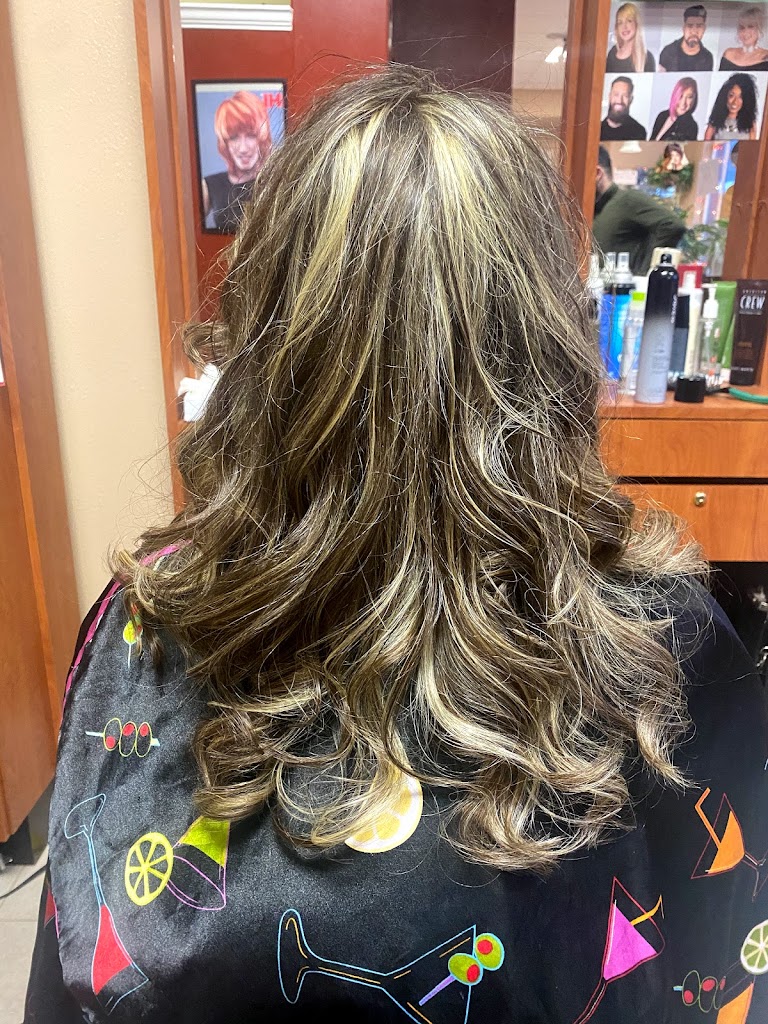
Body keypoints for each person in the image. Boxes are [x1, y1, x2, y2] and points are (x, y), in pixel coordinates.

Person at [25, 66, 768, 1024]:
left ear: (263, 337)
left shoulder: (145, 616)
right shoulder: (663, 637)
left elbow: (67, 971)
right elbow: (726, 962)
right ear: (548, 339)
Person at [593, 144, 686, 273]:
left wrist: (644, 272)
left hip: (621, 284)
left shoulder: (628, 200)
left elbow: (673, 225)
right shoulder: (594, 209)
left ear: (597, 173)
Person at [202, 90, 272, 234]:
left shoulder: (276, 179)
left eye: (251, 135)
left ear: (262, 137)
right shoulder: (209, 185)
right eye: (234, 137)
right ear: (225, 142)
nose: (243, 148)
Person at [659, 5, 714, 72]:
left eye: (699, 26)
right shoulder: (668, 52)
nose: (694, 32)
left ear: (704, 29)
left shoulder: (707, 57)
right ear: (684, 28)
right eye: (690, 26)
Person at [705, 72, 759, 140]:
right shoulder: (715, 121)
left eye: (741, 97)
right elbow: (706, 144)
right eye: (731, 95)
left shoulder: (750, 124)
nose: (735, 102)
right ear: (725, 96)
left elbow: (752, 145)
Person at [606, 3, 656, 73]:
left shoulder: (647, 58)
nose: (624, 27)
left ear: (637, 23)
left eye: (629, 21)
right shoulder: (612, 53)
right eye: (620, 22)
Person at [720, 5, 768, 71]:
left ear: (759, 29)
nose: (745, 32)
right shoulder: (728, 54)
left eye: (750, 26)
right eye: (742, 27)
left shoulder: (766, 55)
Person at [600, 76, 648, 141]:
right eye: (616, 94)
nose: (619, 101)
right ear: (610, 96)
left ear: (631, 99)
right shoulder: (596, 129)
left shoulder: (638, 132)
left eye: (625, 96)